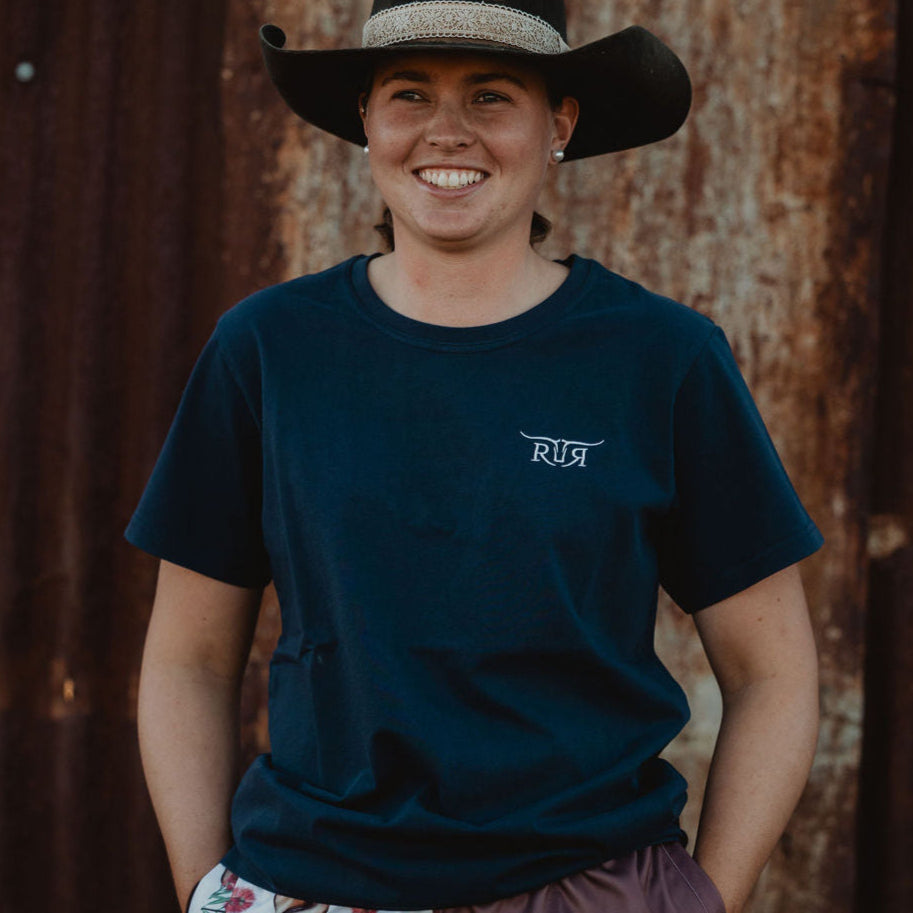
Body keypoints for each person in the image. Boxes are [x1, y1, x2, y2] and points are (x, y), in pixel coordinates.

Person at [127, 3, 823, 913]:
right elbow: (187, 658)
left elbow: (773, 672)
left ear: (557, 125)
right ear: (368, 122)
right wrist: (203, 892)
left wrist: (704, 898)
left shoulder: (660, 358)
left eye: (490, 96)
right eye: (409, 94)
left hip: (588, 883)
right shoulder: (268, 348)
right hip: (311, 881)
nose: (445, 132)